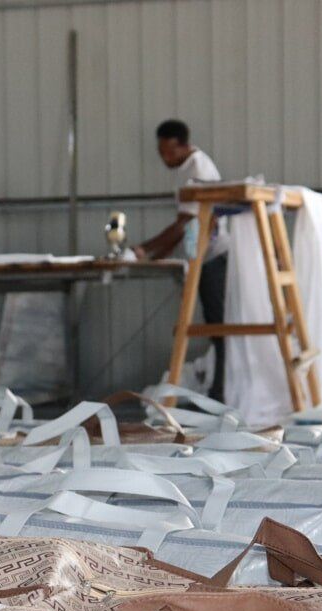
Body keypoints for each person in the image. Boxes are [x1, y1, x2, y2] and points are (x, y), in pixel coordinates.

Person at [134, 119, 230, 400]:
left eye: (170, 152)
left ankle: (222, 393)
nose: (165, 158)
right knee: (215, 326)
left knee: (219, 327)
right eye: (161, 152)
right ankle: (218, 390)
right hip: (202, 255)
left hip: (214, 256)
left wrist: (146, 249)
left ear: (184, 145)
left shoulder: (198, 169)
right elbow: (185, 226)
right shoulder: (185, 168)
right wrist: (160, 255)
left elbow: (185, 223)